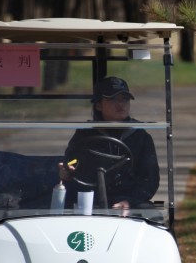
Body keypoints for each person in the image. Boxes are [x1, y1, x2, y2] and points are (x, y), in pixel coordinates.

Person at [59, 76, 160, 210]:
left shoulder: (140, 136)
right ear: (99, 105)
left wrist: (129, 202)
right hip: (89, 199)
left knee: (152, 216)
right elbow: (72, 161)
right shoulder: (84, 134)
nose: (121, 104)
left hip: (129, 200)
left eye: (125, 99)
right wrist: (67, 169)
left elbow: (150, 180)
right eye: (113, 99)